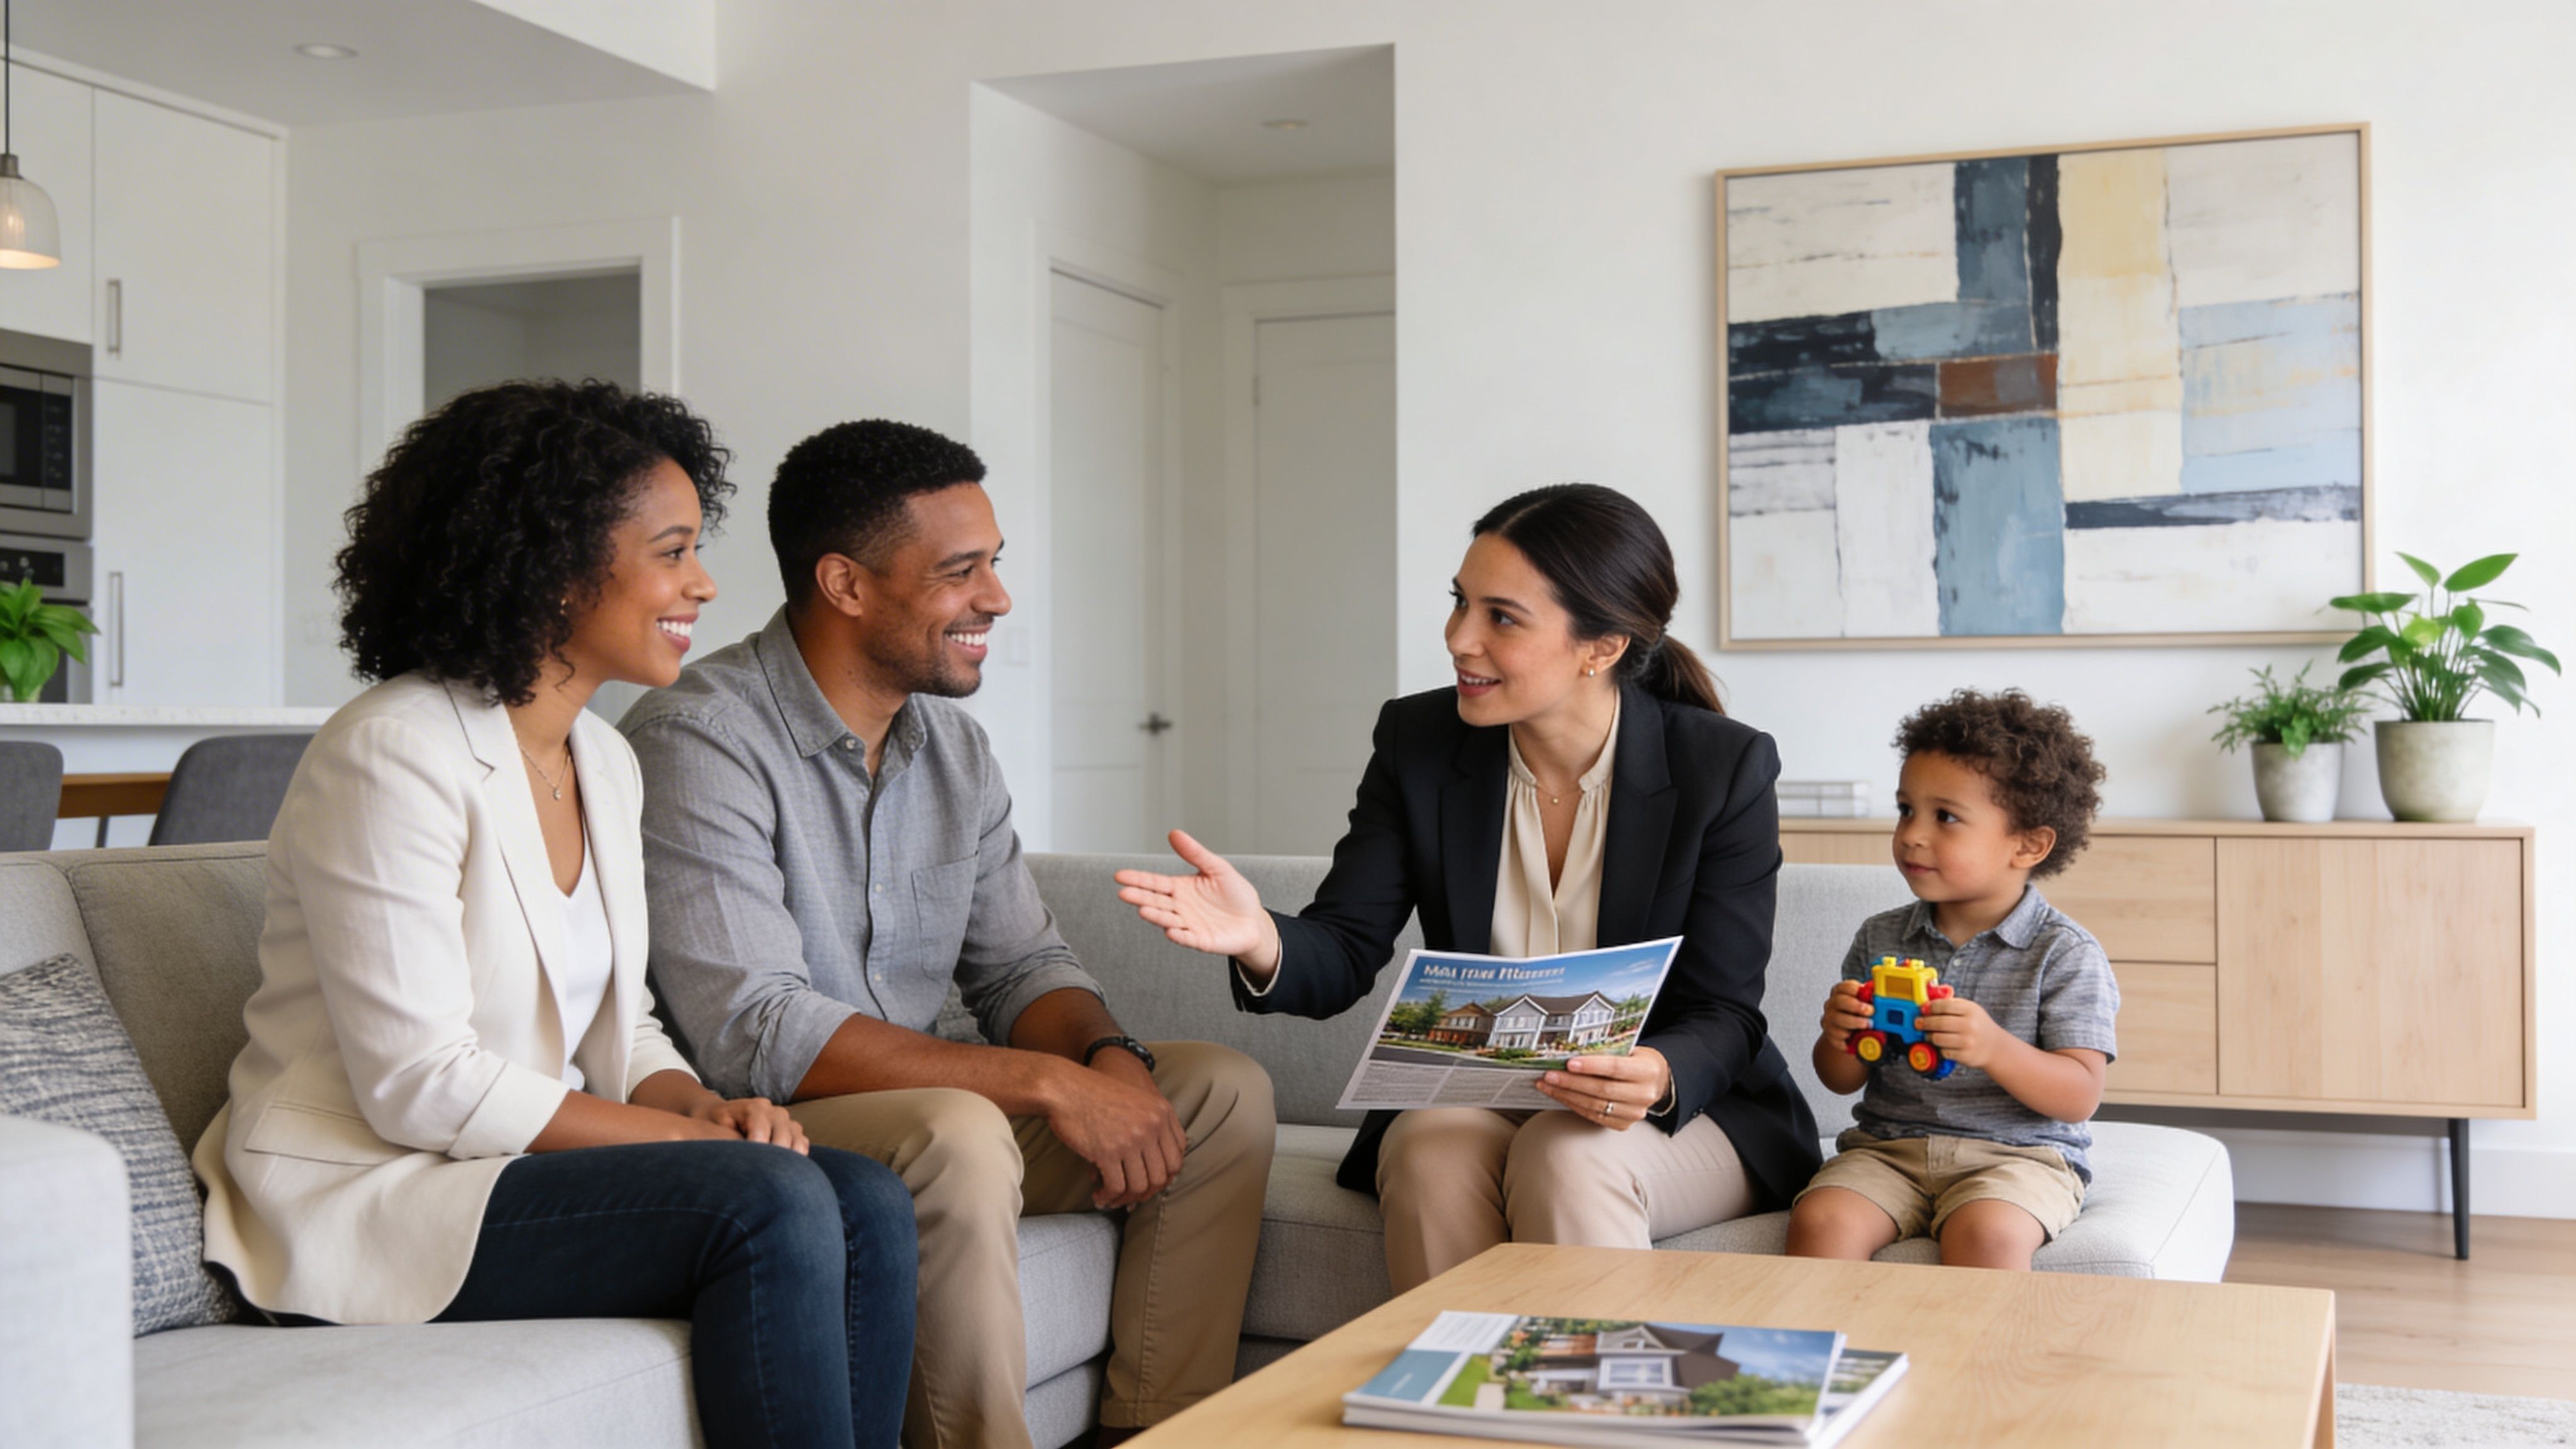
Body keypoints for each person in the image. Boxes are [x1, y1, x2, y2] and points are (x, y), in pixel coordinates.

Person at [192, 381, 917, 1449]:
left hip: (503, 1168)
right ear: (554, 566)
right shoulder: (393, 749)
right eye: (671, 552)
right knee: (766, 1202)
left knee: (864, 1194)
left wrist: (700, 1106)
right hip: (371, 1191)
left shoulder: (606, 760)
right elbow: (419, 1081)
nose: (704, 583)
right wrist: (700, 1146)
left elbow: (622, 1028)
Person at [621, 419, 1275, 1449]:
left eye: (994, 566)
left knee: (1216, 1092)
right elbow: (757, 1028)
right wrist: (1048, 1085)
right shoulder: (699, 740)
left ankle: (1163, 1430)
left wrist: (1109, 1060)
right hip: (773, 1122)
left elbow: (1022, 961)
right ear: (845, 583)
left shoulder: (953, 747)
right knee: (957, 1128)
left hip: (925, 1102)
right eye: (961, 571)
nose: (997, 599)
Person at [1115, 482, 1819, 1293]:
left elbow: (1725, 1010)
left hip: (1675, 1106)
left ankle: (1595, 1414)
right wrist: (1260, 939)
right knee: (1425, 1148)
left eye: (1501, 617)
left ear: (1602, 646)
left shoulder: (1721, 768)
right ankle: (1455, 1414)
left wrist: (1656, 1071)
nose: (1459, 639)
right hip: (1479, 1091)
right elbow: (1344, 946)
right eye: (1460, 603)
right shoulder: (1418, 743)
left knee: (1565, 1155)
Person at [1786, 689, 2119, 1272]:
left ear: (2029, 844)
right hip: (1888, 1151)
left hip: (2020, 1159)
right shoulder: (1879, 937)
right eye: (1905, 810)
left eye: (1945, 817)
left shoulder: (2062, 952)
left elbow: (2079, 1094)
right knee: (1821, 1221)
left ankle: (1974, 1362)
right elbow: (1839, 1081)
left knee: (1988, 1233)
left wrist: (1994, 1048)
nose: (1913, 834)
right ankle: (1829, 1358)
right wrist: (1838, 1034)